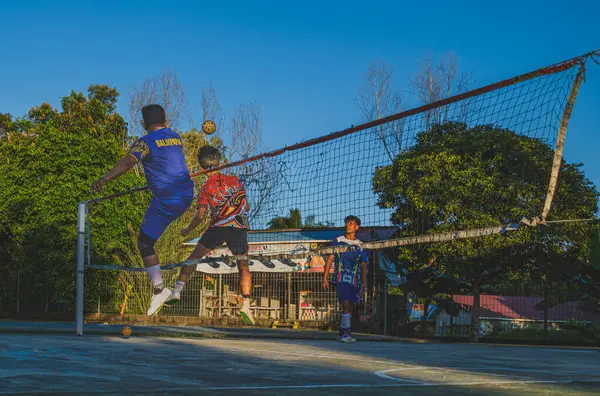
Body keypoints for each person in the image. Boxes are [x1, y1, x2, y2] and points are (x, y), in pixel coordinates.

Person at [91, 104, 194, 316]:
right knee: (150, 238)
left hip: (167, 199)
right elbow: (167, 163)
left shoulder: (144, 142)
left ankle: (159, 290)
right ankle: (160, 290)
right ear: (166, 122)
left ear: (143, 124)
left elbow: (129, 161)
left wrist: (105, 178)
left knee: (145, 243)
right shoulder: (176, 137)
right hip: (186, 195)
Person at [167, 145, 255, 325]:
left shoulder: (206, 187)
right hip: (238, 227)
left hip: (217, 227)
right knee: (243, 265)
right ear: (219, 162)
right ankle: (246, 305)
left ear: (201, 168)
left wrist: (187, 230)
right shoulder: (235, 181)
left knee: (193, 258)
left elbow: (200, 215)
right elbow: (246, 206)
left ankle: (177, 290)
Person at [322, 215, 368, 342]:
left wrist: (364, 283)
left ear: (356, 227)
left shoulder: (360, 245)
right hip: (341, 278)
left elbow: (363, 265)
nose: (348, 225)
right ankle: (346, 335)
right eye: (347, 223)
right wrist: (325, 278)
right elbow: (330, 258)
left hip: (355, 279)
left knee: (351, 306)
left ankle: (342, 332)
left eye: (351, 223)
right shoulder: (338, 240)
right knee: (345, 305)